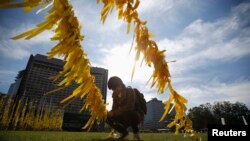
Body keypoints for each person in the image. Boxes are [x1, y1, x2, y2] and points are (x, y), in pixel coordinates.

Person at [106, 76, 144, 141]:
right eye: (112, 89)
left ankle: (136, 135)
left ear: (120, 85)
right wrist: (109, 113)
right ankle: (124, 133)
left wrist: (114, 113)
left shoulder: (130, 91)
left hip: (136, 115)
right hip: (124, 116)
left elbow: (129, 106)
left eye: (114, 88)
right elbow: (114, 108)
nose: (114, 91)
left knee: (131, 113)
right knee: (107, 117)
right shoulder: (115, 95)